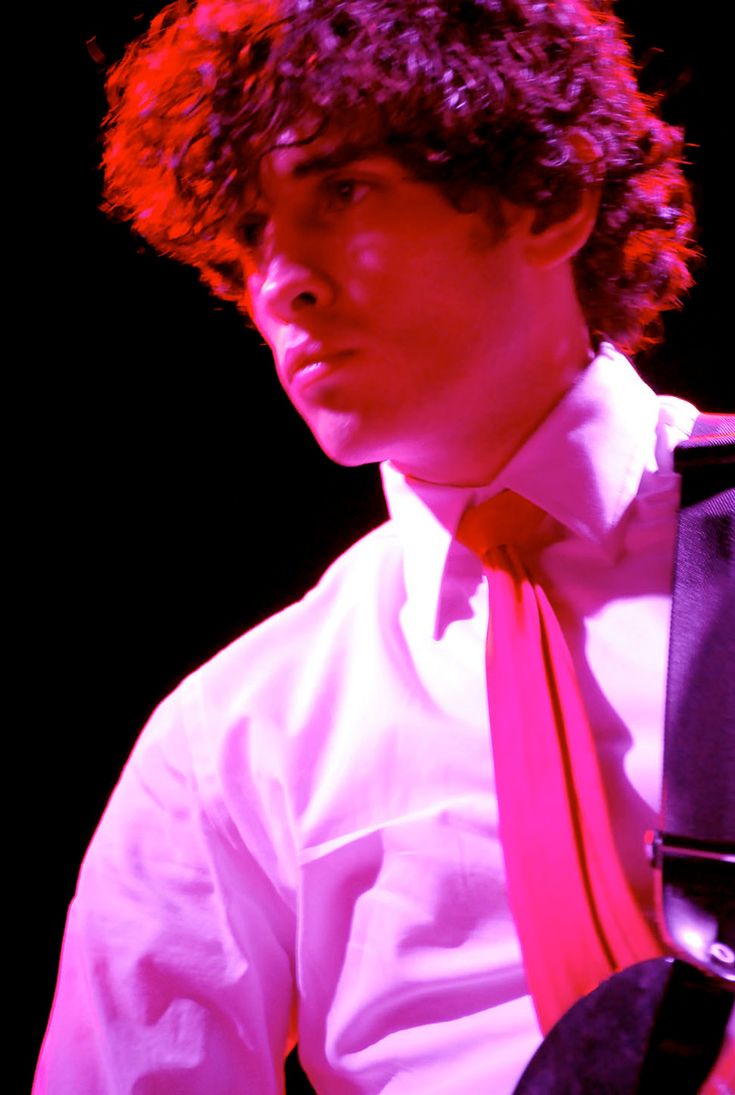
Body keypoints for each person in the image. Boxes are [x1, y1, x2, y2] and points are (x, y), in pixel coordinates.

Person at [35, 0, 723, 1091]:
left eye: (342, 193)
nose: (280, 281)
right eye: (251, 233)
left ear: (546, 196)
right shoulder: (229, 740)